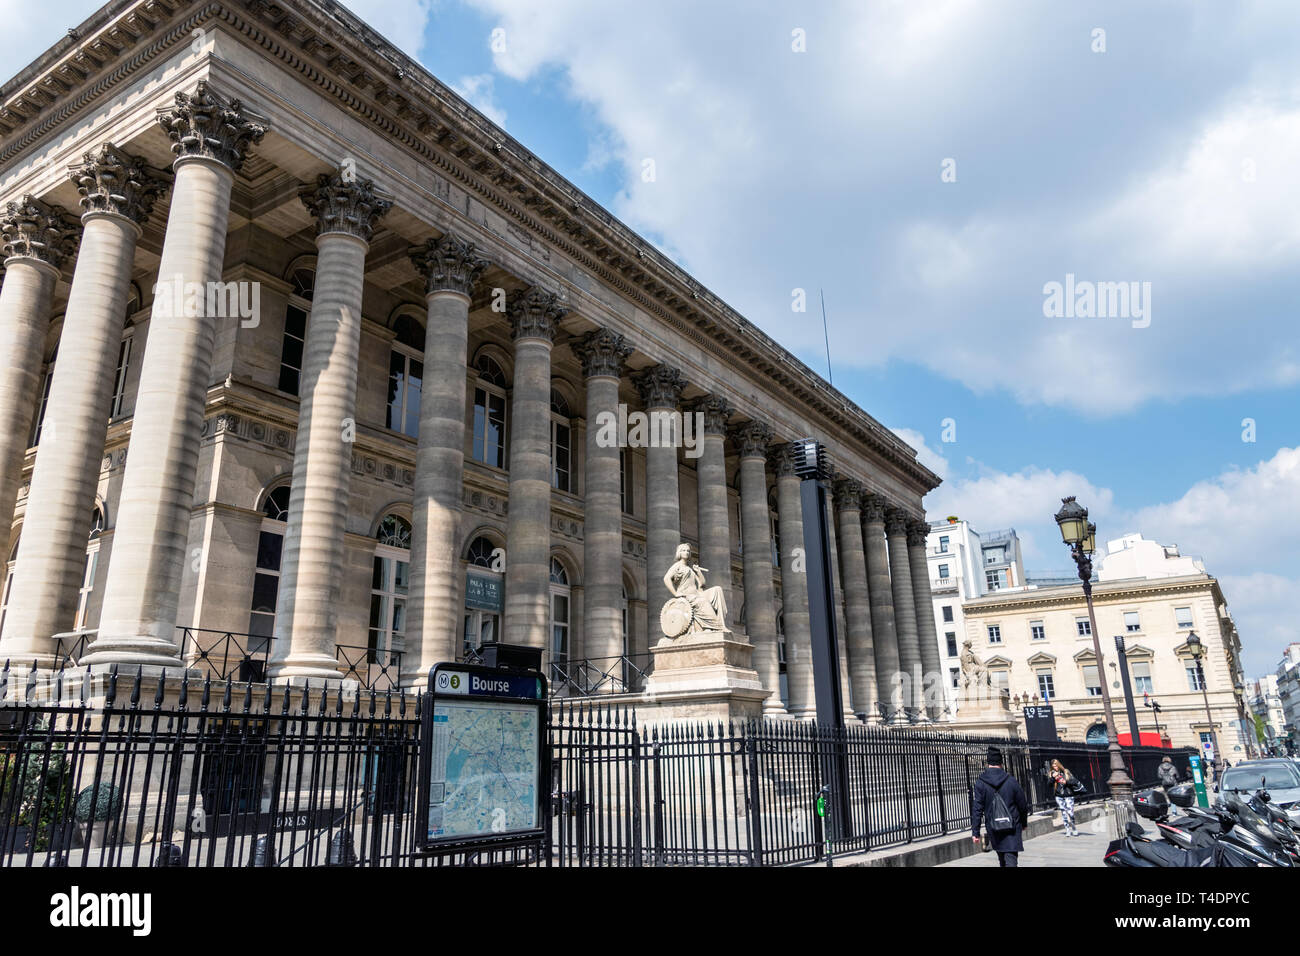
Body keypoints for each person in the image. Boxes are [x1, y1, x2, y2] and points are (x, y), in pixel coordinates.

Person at [971, 746, 1031, 867]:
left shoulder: (981, 782)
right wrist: (1024, 823)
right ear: (1001, 763)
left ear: (988, 763)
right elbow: (1022, 805)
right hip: (1012, 825)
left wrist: (975, 832)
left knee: (1002, 858)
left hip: (993, 826)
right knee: (1011, 857)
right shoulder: (1011, 780)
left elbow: (977, 808)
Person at [1048, 759, 1080, 836]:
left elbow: (1074, 781)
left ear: (1058, 765)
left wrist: (1066, 782)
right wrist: (1052, 778)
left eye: (1056, 765)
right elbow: (1049, 785)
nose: (1055, 767)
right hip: (1059, 796)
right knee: (1063, 813)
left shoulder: (1066, 771)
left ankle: (1073, 827)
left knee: (1070, 812)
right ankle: (1067, 829)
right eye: (1053, 766)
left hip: (1068, 795)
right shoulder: (1052, 773)